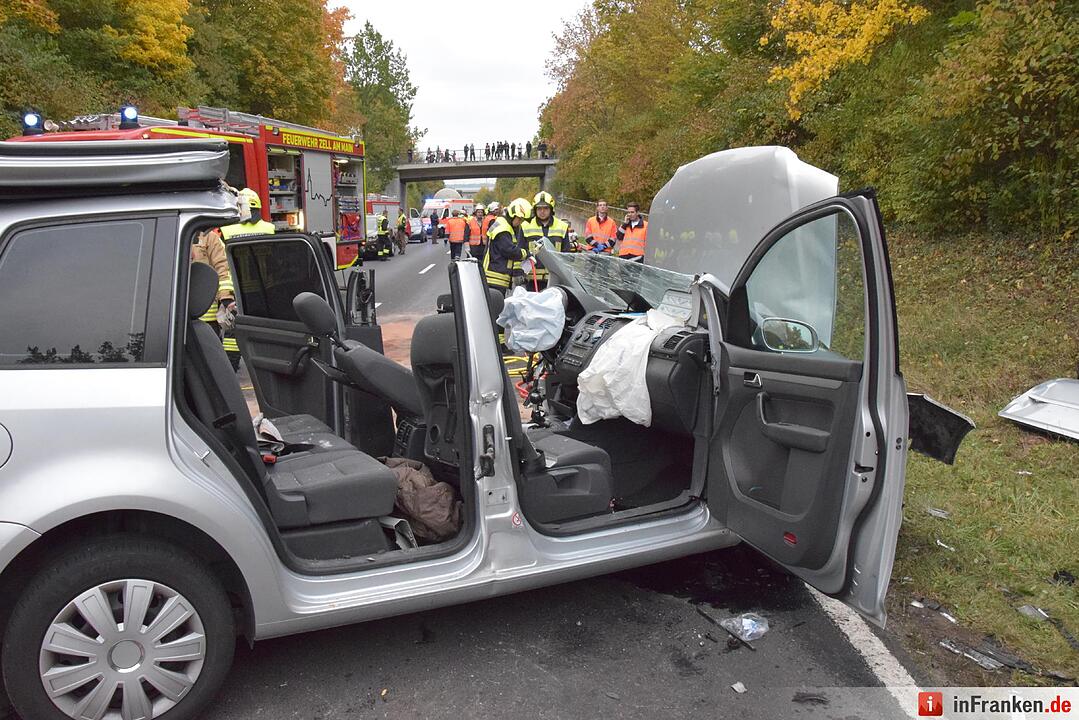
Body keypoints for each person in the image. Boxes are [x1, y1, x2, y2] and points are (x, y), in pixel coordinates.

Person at [191, 228, 240, 370]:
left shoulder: (210, 238)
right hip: (177, 313)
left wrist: (226, 297)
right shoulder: (170, 232)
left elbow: (223, 269)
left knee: (209, 360)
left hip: (206, 317)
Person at [520, 191, 572, 291]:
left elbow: (566, 254)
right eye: (539, 208)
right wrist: (518, 273)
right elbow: (520, 251)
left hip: (555, 279)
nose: (542, 211)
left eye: (545, 208)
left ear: (551, 209)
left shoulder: (562, 226)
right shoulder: (525, 226)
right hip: (533, 280)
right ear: (535, 209)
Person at [483, 197, 532, 295]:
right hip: (496, 276)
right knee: (496, 307)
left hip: (494, 274)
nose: (520, 222)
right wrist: (526, 253)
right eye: (520, 219)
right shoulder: (504, 229)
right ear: (513, 214)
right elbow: (509, 251)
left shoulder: (502, 223)